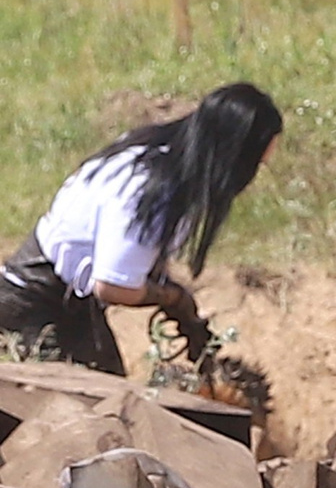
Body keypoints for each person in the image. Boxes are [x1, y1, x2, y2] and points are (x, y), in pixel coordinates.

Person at [0, 85, 283, 375]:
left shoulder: (155, 154)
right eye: (254, 164)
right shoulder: (151, 189)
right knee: (87, 409)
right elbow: (111, 285)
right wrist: (172, 298)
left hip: (68, 303)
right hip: (30, 306)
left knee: (113, 400)